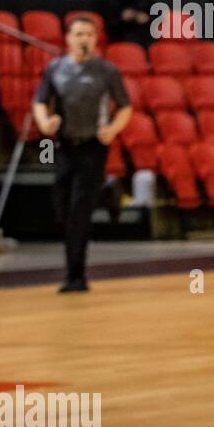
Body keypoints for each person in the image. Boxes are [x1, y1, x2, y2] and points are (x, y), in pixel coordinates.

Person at [32, 16, 133, 292]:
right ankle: (107, 192)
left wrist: (112, 130)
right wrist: (45, 123)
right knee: (62, 206)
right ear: (68, 38)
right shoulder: (55, 68)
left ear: (95, 38)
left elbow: (125, 106)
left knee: (79, 210)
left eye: (88, 34)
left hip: (93, 146)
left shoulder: (107, 71)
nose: (83, 39)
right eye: (78, 34)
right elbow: (40, 102)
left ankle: (75, 276)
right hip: (63, 146)